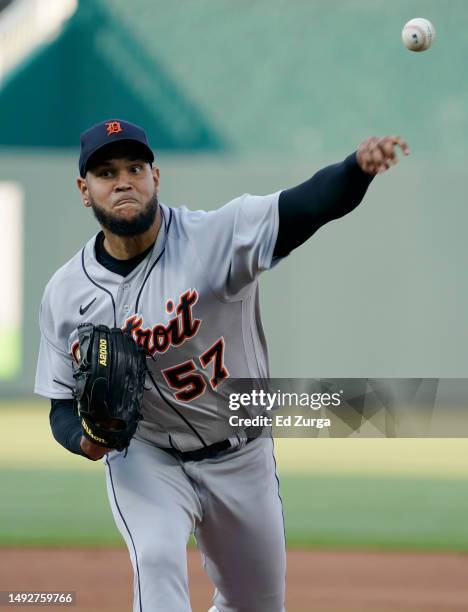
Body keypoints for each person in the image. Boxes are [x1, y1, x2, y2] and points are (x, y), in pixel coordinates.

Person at [35, 119, 409, 612]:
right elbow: (61, 404)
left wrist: (356, 170)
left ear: (156, 177)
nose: (123, 180)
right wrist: (84, 440)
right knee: (156, 556)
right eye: (106, 172)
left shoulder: (213, 238)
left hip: (241, 454)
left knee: (254, 604)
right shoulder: (66, 293)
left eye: (134, 167)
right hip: (146, 455)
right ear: (85, 190)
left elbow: (304, 206)